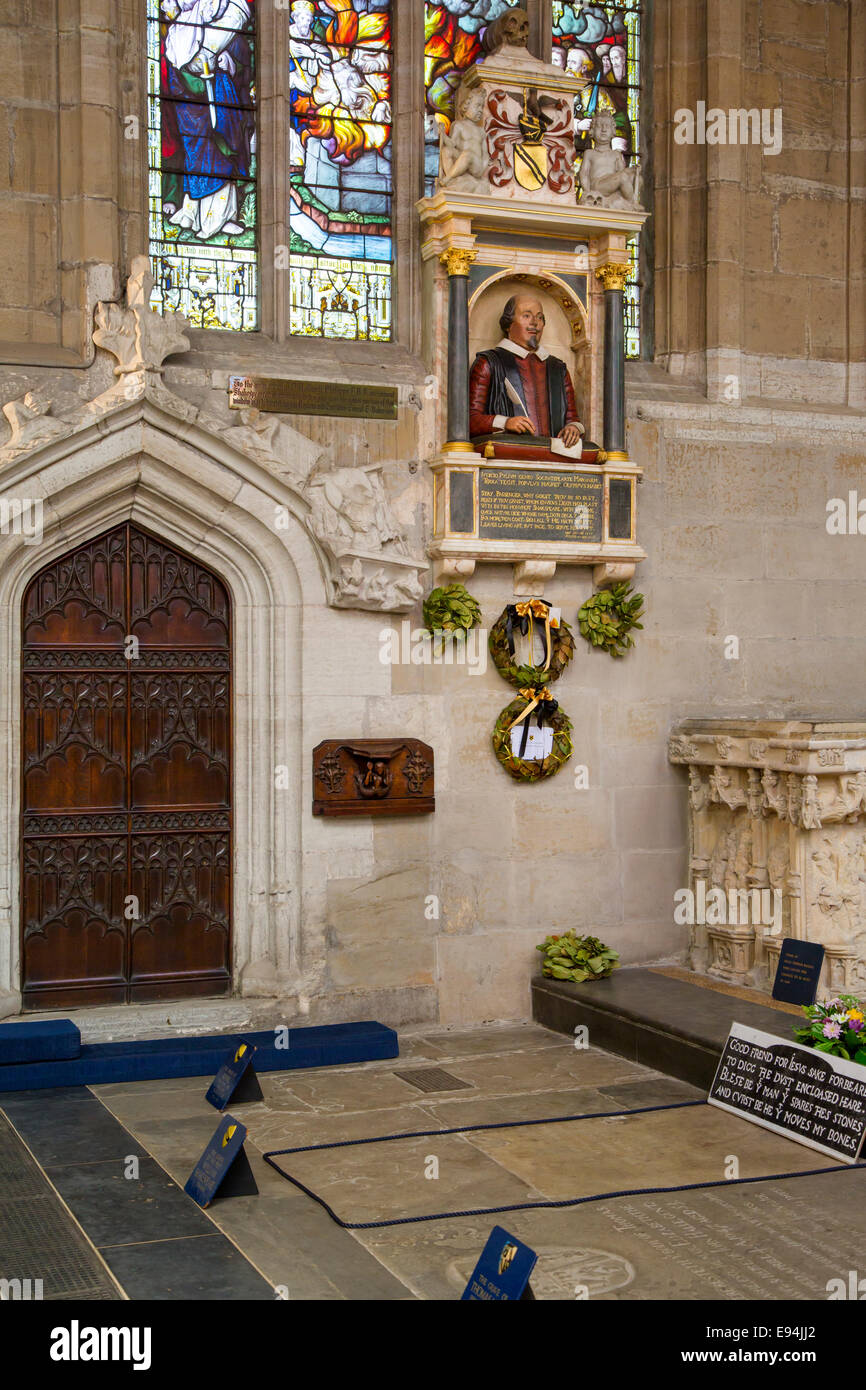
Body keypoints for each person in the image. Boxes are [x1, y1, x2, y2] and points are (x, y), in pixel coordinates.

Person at [469, 295, 584, 447]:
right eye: (526, 316)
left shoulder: (558, 369)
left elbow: (572, 418)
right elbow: (470, 419)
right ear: (508, 324)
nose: (534, 323)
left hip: (552, 458)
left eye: (540, 317)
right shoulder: (489, 362)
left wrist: (573, 428)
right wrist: (506, 422)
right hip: (508, 457)